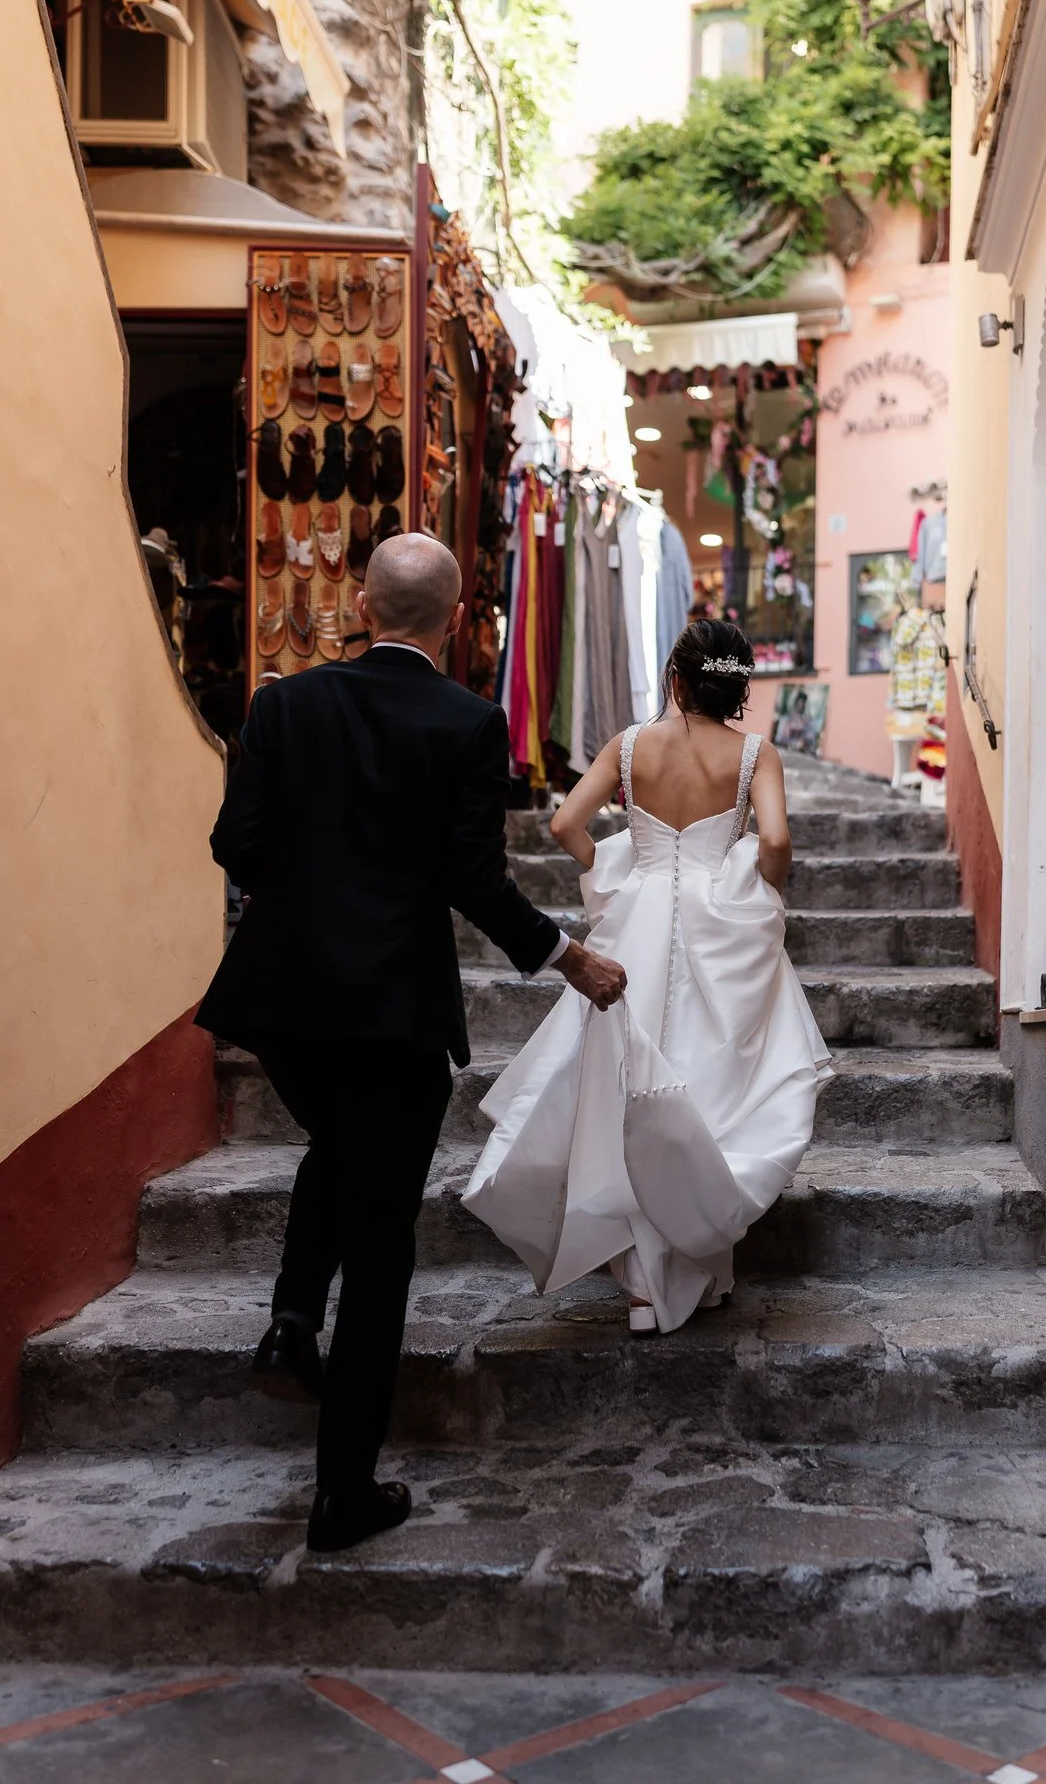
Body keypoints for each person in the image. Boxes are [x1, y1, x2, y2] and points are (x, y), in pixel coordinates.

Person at [196, 535, 626, 1552]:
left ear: (359, 601)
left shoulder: (282, 706)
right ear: (460, 612)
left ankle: (294, 1322)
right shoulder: (467, 722)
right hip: (390, 1007)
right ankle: (343, 1492)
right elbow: (472, 880)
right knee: (382, 1244)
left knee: (336, 1148)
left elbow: (234, 846)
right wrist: (568, 959)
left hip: (283, 999)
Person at [463, 619, 831, 1334]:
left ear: (677, 680)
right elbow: (778, 840)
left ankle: (641, 1285)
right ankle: (702, 1265)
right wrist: (765, 887)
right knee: (712, 1089)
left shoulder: (630, 747)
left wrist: (615, 870)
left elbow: (566, 823)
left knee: (625, 1087)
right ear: (734, 685)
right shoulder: (757, 753)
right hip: (722, 925)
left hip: (638, 921)